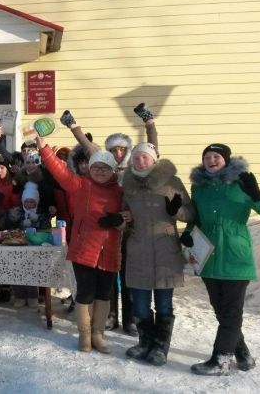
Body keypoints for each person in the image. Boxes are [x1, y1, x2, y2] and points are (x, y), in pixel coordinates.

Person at [60, 107, 160, 335]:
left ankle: (131, 317)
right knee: (109, 273)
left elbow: (153, 148)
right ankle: (110, 315)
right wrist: (73, 126)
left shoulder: (138, 167)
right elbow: (88, 147)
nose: (117, 153)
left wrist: (149, 123)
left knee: (129, 276)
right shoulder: (105, 168)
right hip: (109, 229)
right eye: (113, 149)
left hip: (133, 230)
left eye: (121, 149)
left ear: (128, 150)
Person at [186, 143, 260, 375]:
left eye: (216, 156)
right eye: (207, 156)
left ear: (226, 160)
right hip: (208, 257)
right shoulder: (199, 188)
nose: (211, 160)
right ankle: (242, 354)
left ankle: (220, 360)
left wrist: (257, 195)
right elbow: (195, 217)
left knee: (230, 312)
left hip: (235, 259)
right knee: (222, 311)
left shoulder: (242, 184)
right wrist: (188, 233)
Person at [38, 136, 123, 354]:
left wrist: (121, 219)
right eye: (96, 167)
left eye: (105, 168)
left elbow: (130, 215)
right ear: (90, 169)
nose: (100, 171)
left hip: (110, 250)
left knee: (104, 295)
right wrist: (44, 149)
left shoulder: (120, 191)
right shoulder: (81, 185)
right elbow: (61, 172)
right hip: (84, 249)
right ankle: (85, 336)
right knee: (85, 294)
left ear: (113, 170)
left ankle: (98, 334)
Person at [121, 142, 195, 366]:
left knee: (164, 304)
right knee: (140, 304)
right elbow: (123, 216)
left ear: (154, 160)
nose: (140, 161)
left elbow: (190, 213)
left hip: (165, 251)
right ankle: (145, 342)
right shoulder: (127, 185)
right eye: (136, 157)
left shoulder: (172, 182)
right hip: (138, 250)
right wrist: (123, 220)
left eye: (145, 157)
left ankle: (161, 347)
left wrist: (177, 211)